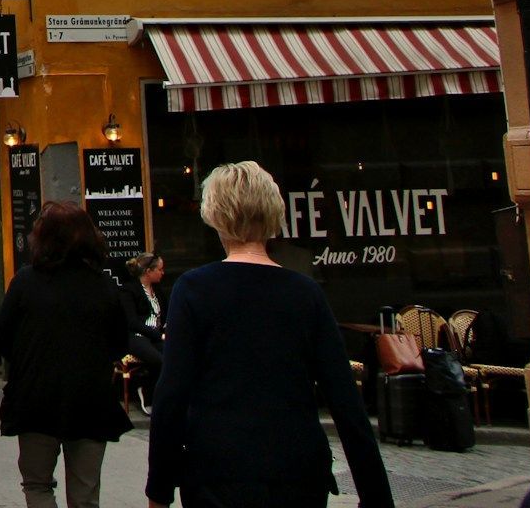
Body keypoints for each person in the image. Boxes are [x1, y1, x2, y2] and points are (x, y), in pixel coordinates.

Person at [145, 162, 392, 508]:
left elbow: (171, 394)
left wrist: (159, 491)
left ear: (216, 216)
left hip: (217, 470)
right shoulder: (305, 293)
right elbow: (345, 400)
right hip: (297, 470)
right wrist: (376, 496)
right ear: (273, 214)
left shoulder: (194, 290)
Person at [0, 202, 132, 508]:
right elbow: (120, 342)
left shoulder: (26, 282)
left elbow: (1, 337)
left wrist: (29, 358)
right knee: (85, 493)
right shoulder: (104, 286)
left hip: (35, 397)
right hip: (90, 399)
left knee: (37, 484)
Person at [119, 252, 166, 410]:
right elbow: (132, 322)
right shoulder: (129, 290)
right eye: (159, 269)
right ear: (148, 271)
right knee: (159, 360)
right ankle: (146, 392)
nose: (162, 272)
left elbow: (163, 315)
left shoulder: (158, 290)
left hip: (156, 336)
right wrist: (158, 334)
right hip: (137, 336)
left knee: (174, 355)